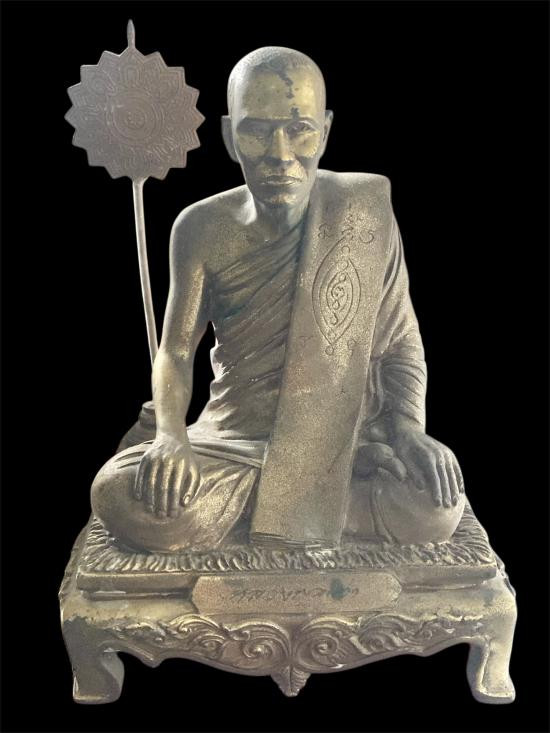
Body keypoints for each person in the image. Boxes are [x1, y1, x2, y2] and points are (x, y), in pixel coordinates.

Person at [91, 47, 465, 552]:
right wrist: (171, 436)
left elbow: (400, 343)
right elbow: (175, 351)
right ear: (230, 136)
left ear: (325, 131)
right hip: (233, 442)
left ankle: (281, 506)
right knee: (115, 492)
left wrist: (408, 430)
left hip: (339, 443)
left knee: (434, 506)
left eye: (299, 129)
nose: (280, 154)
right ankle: (306, 507)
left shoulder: (363, 213)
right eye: (258, 131)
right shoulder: (200, 228)